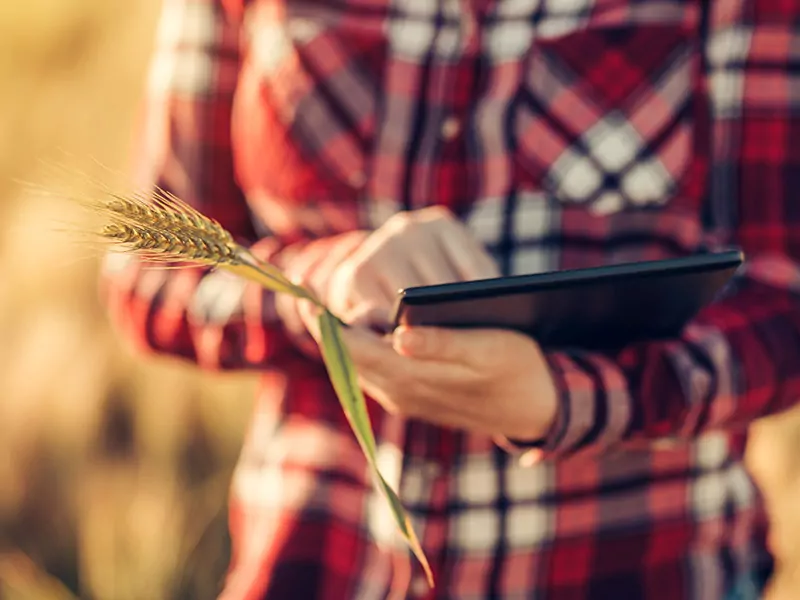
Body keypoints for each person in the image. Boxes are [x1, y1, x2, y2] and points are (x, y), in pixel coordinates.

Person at [102, 0, 797, 597]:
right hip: (315, 565)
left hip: (641, 569)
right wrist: (318, 289)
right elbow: (150, 271)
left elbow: (783, 300)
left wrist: (569, 400)